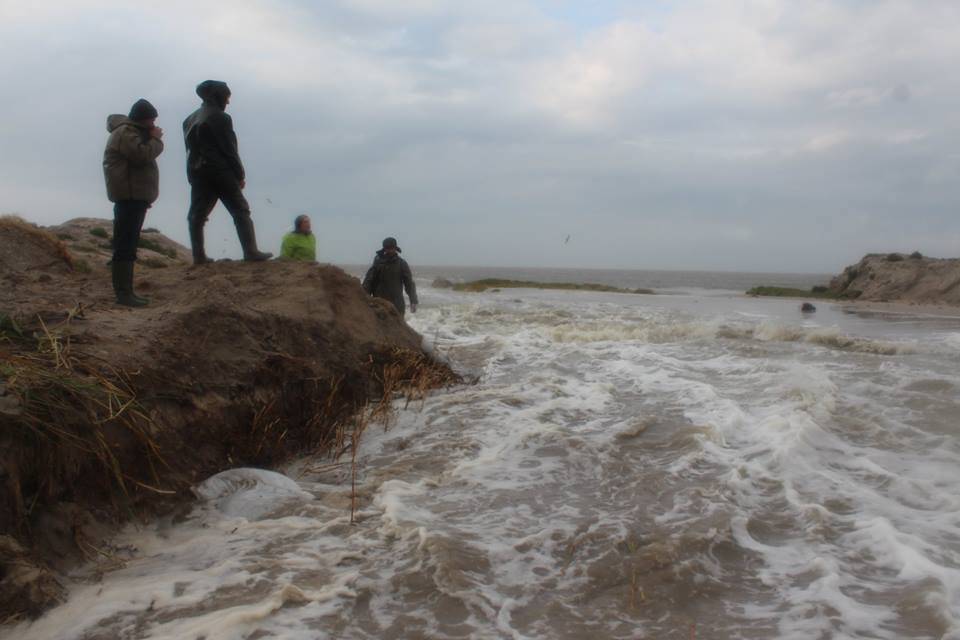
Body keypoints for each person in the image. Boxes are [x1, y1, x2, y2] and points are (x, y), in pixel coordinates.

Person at [182, 80, 272, 264]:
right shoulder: (221, 118)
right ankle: (250, 251)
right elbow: (229, 149)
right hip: (220, 170)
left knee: (197, 214)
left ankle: (198, 256)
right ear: (218, 96)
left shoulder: (189, 119)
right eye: (227, 97)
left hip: (198, 172)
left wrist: (191, 174)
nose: (228, 101)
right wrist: (240, 174)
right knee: (240, 209)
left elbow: (189, 151)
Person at [102, 98, 164, 307]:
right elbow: (141, 155)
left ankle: (126, 291)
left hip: (133, 196)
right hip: (128, 197)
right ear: (143, 119)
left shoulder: (128, 132)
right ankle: (123, 294)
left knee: (127, 243)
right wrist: (156, 140)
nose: (154, 124)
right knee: (125, 245)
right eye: (152, 120)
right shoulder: (126, 133)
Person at [362, 237, 418, 315]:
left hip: (397, 306)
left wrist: (413, 301)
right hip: (379, 304)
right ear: (384, 249)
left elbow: (409, 284)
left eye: (392, 248)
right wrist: (363, 297)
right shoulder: (378, 262)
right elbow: (369, 281)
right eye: (388, 248)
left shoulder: (401, 264)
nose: (390, 250)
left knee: (398, 323)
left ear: (395, 248)